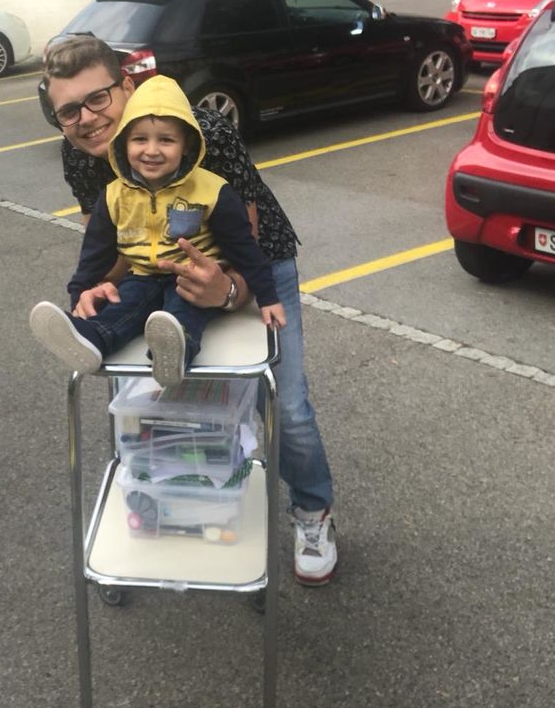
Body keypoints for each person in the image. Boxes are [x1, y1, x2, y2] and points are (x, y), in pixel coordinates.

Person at [40, 35, 337, 586]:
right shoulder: (79, 157)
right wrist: (94, 288)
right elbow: (106, 246)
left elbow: (244, 243)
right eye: (68, 111)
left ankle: (313, 512)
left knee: (285, 405)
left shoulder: (205, 133)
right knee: (152, 402)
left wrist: (227, 293)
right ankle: (166, 500)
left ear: (127, 86)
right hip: (156, 273)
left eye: (98, 98)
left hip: (253, 264)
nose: (87, 120)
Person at [30, 74, 284, 388]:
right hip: (141, 276)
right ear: (124, 142)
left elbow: (244, 248)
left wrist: (268, 297)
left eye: (166, 140)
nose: (152, 150)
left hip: (192, 278)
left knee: (182, 313)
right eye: (140, 139)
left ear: (186, 144)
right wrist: (79, 294)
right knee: (123, 307)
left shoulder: (212, 190)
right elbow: (95, 252)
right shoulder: (113, 195)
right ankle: (92, 339)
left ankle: (177, 349)